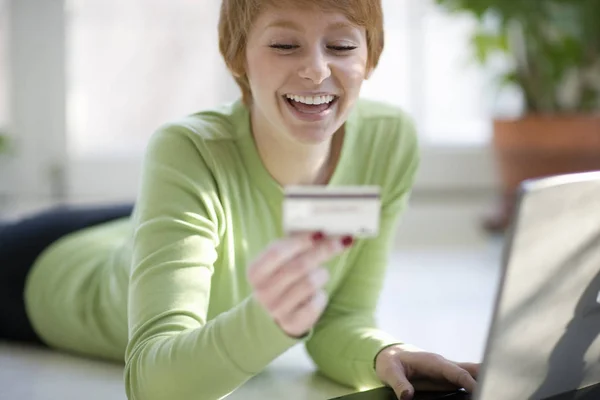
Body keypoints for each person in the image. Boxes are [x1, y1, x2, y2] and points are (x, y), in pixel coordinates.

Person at [0, 1, 479, 399]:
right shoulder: (188, 150)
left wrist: (383, 353)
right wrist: (270, 323)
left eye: (341, 46)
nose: (315, 69)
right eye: (284, 45)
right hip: (50, 272)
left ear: (370, 58)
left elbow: (340, 318)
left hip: (151, 224)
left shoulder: (387, 142)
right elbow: (151, 381)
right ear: (237, 58)